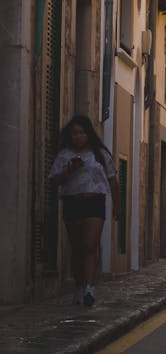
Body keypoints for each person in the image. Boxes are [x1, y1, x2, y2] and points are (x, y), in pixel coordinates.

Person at [49, 115, 119, 307]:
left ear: (88, 134)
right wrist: (69, 170)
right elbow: (54, 181)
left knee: (90, 245)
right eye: (74, 133)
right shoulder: (64, 155)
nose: (78, 137)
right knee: (77, 247)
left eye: (81, 132)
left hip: (95, 202)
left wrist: (117, 205)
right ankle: (79, 285)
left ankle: (89, 287)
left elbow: (112, 179)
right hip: (72, 202)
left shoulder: (100, 155)